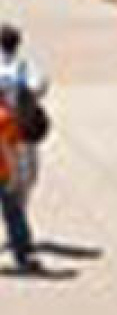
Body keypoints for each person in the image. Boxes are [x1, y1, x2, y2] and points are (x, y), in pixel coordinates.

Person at [0, 25, 48, 208]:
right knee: (27, 178)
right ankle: (18, 212)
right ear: (17, 44)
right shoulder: (25, 67)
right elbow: (41, 86)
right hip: (21, 129)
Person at [0, 86, 36, 271]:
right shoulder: (5, 118)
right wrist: (15, 177)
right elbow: (8, 151)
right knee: (15, 216)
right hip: (3, 175)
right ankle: (22, 256)